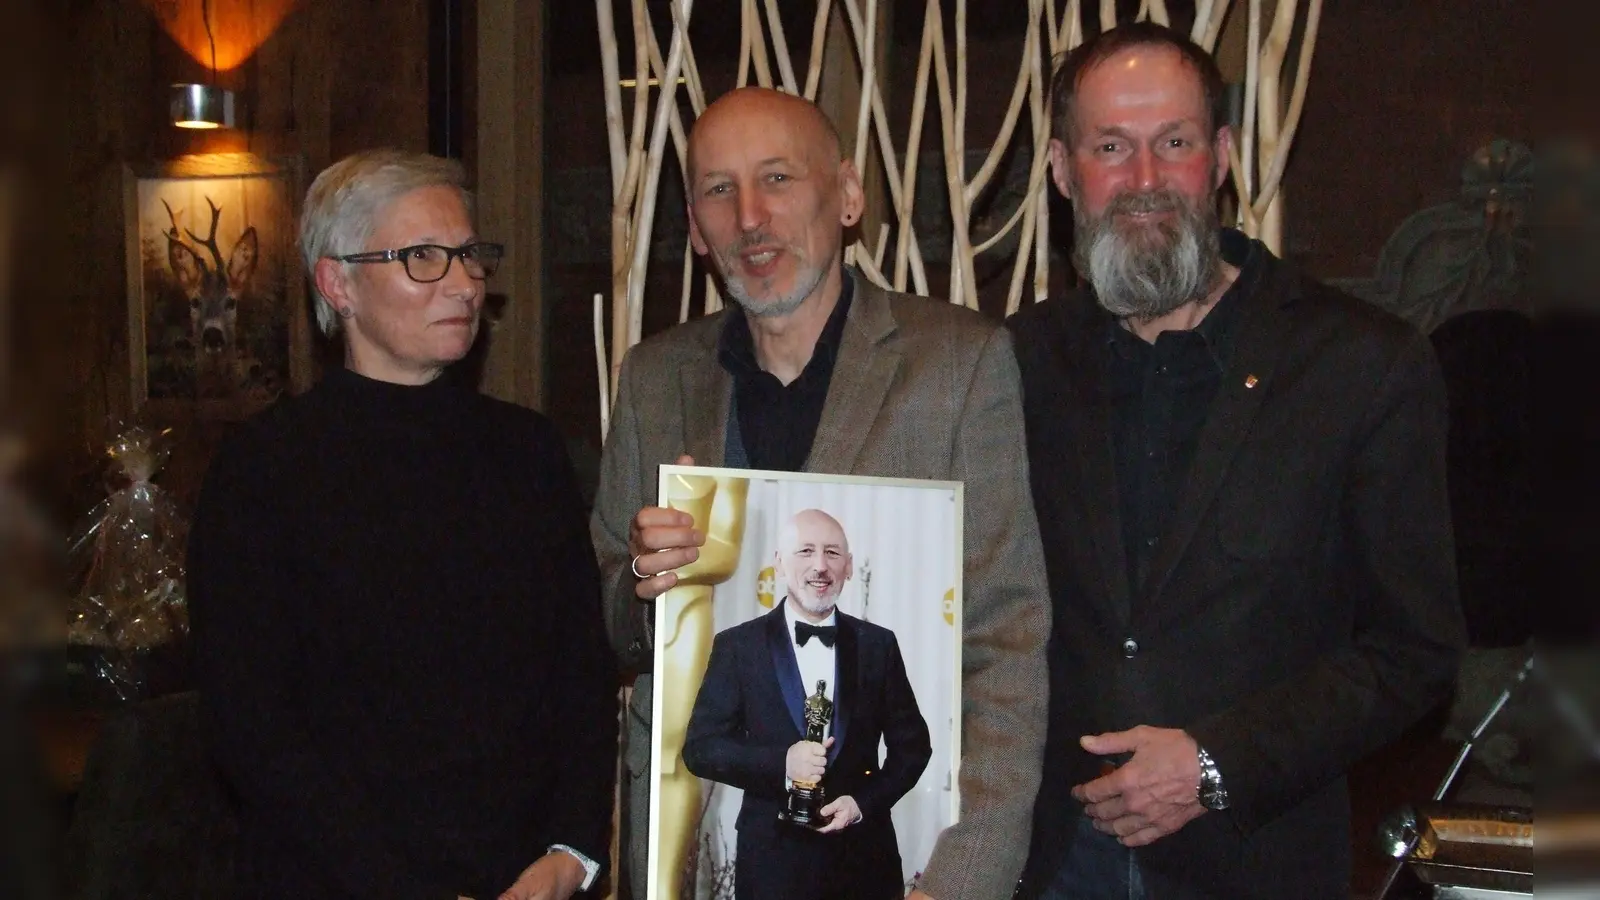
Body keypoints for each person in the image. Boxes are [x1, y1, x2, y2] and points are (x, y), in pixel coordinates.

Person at [1006, 23, 1467, 900]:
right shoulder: (1019, 361)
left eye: (1173, 143)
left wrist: (1217, 763)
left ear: (1219, 157)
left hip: (1257, 861)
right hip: (1049, 861)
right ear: (1064, 173)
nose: (1145, 181)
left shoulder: (1363, 365)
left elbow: (1416, 649)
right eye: (1112, 147)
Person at [591, 86, 1051, 900]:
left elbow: (1005, 644)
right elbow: (612, 631)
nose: (751, 218)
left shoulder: (960, 366)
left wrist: (963, 878)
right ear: (694, 225)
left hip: (896, 872)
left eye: (778, 179)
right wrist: (642, 583)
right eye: (719, 190)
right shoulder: (655, 380)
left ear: (846, 195)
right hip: (710, 859)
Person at [188, 149, 618, 900]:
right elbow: (254, 730)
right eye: (422, 257)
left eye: (469, 255)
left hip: (525, 876)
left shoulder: (529, 450)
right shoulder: (263, 470)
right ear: (337, 283)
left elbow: (579, 674)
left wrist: (571, 850)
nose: (463, 283)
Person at [682, 509, 932, 900]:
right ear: (779, 562)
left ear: (849, 567)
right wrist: (782, 762)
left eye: (832, 553)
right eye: (805, 551)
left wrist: (861, 803)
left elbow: (913, 748)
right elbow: (701, 748)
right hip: (772, 866)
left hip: (864, 863)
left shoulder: (878, 646)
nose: (820, 566)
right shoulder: (737, 646)